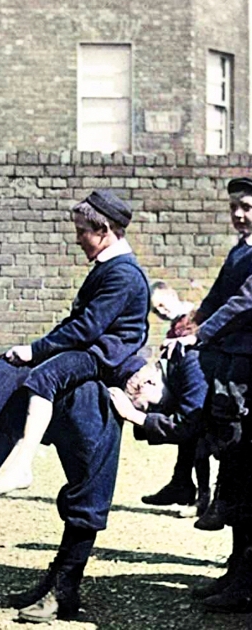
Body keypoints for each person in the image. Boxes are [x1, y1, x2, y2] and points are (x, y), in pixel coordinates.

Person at [0, 354, 143, 623]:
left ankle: (62, 594)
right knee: (78, 505)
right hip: (74, 417)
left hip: (92, 414)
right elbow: (10, 428)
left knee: (86, 507)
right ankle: (55, 586)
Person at [0, 190, 150, 495]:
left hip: (103, 355)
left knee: (44, 377)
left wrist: (35, 351)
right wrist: (41, 348)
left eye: (81, 231)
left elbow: (87, 328)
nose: (77, 239)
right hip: (93, 348)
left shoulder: (123, 274)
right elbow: (77, 322)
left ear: (104, 231)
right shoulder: (109, 267)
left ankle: (22, 466)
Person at [163, 176, 252, 613]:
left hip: (247, 372)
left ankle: (245, 584)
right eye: (235, 206)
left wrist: (200, 334)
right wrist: (191, 319)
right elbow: (219, 296)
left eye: (247, 206)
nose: (239, 214)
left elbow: (244, 302)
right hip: (229, 369)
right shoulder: (240, 250)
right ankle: (236, 572)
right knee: (231, 470)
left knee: (244, 472)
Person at [140, 282, 210, 513]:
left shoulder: (196, 315)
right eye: (156, 310)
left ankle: (203, 498)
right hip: (187, 386)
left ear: (172, 294)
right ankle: (181, 484)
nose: (161, 311)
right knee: (187, 438)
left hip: (206, 383)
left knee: (198, 440)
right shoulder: (174, 328)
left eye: (162, 304)